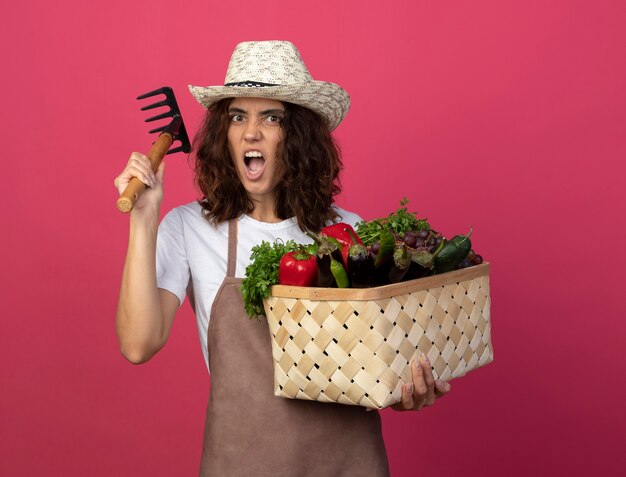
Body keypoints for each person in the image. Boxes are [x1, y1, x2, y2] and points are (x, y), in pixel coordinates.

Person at [114, 40, 451, 476]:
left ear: (298, 136)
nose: (251, 132)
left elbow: (376, 367)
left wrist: (407, 392)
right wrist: (143, 220)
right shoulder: (189, 228)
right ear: (224, 133)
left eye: (271, 117)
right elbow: (138, 344)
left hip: (348, 464)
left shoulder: (346, 231)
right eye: (238, 117)